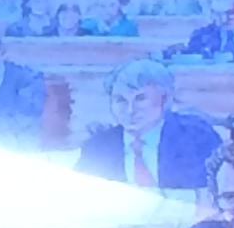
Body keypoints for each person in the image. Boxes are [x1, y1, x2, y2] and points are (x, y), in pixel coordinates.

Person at [73, 60, 224, 196]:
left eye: (140, 99)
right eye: (120, 100)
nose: (130, 110)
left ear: (165, 98)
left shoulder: (197, 139)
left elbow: (217, 195)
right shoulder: (97, 147)